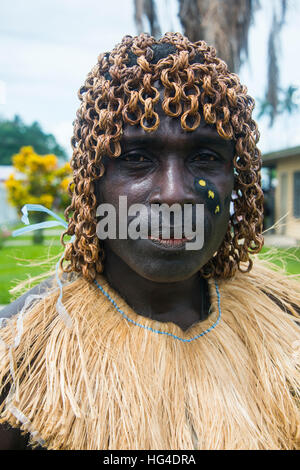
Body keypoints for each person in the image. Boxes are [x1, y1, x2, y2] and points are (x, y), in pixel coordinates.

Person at [0, 32, 299, 450]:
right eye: (138, 158)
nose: (175, 193)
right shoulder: (19, 353)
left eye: (205, 157)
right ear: (92, 184)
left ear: (237, 183)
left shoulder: (289, 331)